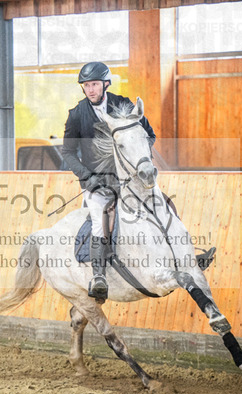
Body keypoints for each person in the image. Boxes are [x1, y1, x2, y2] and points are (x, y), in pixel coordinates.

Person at [62, 61, 156, 301]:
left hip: (129, 180)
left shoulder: (123, 105)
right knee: (99, 223)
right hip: (97, 183)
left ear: (106, 84)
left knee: (157, 208)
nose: (90, 90)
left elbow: (148, 135)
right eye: (86, 86)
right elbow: (68, 153)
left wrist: (138, 163)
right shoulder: (76, 115)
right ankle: (98, 277)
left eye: (94, 84)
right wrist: (87, 177)